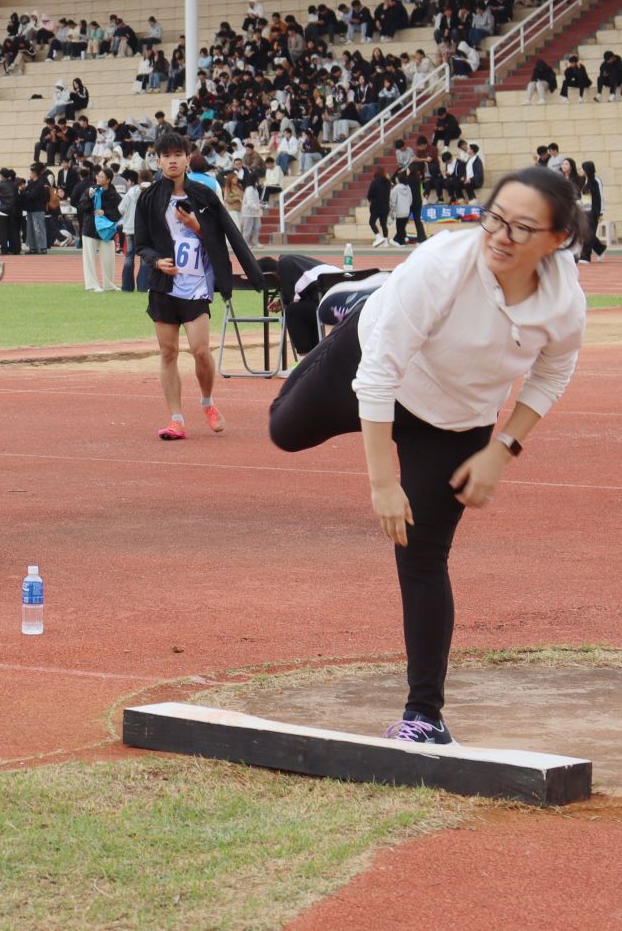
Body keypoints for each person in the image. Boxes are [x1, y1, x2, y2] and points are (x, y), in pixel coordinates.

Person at [268, 166, 587, 744]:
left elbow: (552, 375)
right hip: (373, 361)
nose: (500, 236)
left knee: (421, 557)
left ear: (557, 239)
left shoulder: (564, 302)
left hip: (456, 420)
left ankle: (424, 717)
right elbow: (378, 375)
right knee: (283, 430)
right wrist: (382, 483)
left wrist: (501, 450)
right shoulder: (443, 263)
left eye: (521, 228)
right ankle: (350, 296)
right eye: (494, 218)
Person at [131, 131, 265, 440]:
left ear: (187, 159)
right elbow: (141, 245)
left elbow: (225, 236)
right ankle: (176, 419)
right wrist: (156, 262)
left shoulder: (204, 196)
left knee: (200, 351)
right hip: (164, 285)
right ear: (158, 161)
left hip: (196, 286)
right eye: (166, 156)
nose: (172, 160)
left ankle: (207, 402)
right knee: (168, 353)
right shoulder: (149, 198)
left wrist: (198, 227)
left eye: (178, 154)